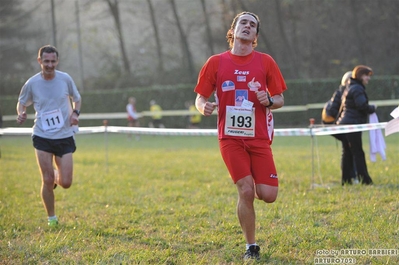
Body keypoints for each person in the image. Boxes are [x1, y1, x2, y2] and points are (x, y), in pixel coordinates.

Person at [194, 12, 287, 261]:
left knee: (267, 195)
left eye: (253, 25)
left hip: (259, 138)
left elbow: (280, 98)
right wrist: (202, 107)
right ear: (232, 30)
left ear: (256, 36)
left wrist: (269, 99)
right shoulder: (215, 62)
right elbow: (200, 97)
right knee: (245, 191)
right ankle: (251, 246)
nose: (247, 26)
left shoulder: (266, 62)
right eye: (243, 22)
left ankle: (257, 183)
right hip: (230, 138)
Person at [16, 45, 82, 227]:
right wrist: (21, 113)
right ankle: (51, 218)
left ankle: (54, 174)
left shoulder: (65, 79)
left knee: (66, 182)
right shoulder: (32, 83)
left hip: (64, 136)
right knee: (46, 180)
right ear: (40, 61)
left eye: (53, 61)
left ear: (57, 61)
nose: (50, 65)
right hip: (42, 135)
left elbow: (77, 98)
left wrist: (75, 113)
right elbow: (21, 103)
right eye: (46, 61)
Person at [336, 65, 375, 185]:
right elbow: (362, 106)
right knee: (358, 152)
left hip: (345, 124)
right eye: (366, 75)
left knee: (347, 152)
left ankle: (346, 180)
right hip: (352, 125)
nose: (368, 78)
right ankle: (365, 180)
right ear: (360, 76)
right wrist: (373, 108)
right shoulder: (357, 89)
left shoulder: (350, 87)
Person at [323, 71, 358, 184]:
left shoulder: (345, 91)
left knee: (349, 149)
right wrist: (341, 121)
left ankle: (350, 177)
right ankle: (349, 177)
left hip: (340, 125)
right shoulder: (342, 92)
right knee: (348, 150)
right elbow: (332, 110)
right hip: (336, 125)